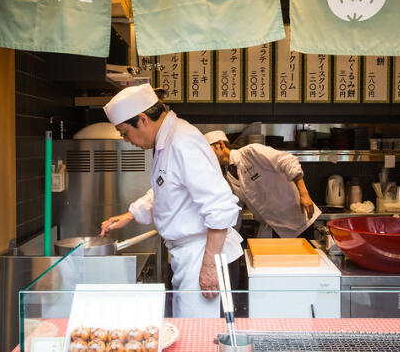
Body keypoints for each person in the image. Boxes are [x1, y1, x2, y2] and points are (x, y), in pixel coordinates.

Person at [100, 84, 243, 318]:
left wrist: (209, 265)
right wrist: (130, 215)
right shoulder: (167, 140)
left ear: (143, 119)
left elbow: (221, 206)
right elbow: (166, 188)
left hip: (203, 253)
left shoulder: (182, 141)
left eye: (124, 132)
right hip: (191, 254)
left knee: (200, 339)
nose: (126, 140)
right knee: (191, 333)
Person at [204, 130, 321, 239]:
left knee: (303, 260)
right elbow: (236, 209)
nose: (207, 157)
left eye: (208, 151)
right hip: (271, 228)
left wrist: (304, 194)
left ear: (220, 144)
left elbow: (288, 161)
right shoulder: (228, 175)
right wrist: (229, 238)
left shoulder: (250, 152)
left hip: (297, 221)